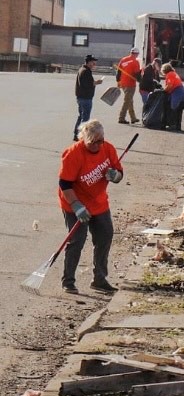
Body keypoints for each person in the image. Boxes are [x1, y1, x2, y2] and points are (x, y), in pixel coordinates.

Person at [58, 119, 123, 294]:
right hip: (74, 203)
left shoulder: (108, 148)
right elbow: (65, 184)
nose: (97, 145)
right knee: (77, 240)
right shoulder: (72, 154)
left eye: (100, 140)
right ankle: (68, 281)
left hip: (99, 202)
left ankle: (100, 280)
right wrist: (76, 205)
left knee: (105, 236)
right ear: (83, 139)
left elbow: (120, 173)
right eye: (93, 142)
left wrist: (115, 175)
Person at [74, 55, 103, 141]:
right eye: (93, 62)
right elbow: (87, 84)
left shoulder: (83, 70)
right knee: (85, 118)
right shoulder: (85, 71)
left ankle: (76, 134)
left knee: (81, 116)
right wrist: (96, 82)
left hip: (82, 97)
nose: (94, 64)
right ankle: (82, 136)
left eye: (95, 62)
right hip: (85, 97)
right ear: (88, 62)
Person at [116, 47, 142, 125]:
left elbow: (118, 71)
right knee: (127, 101)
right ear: (136, 54)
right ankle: (121, 118)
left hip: (123, 83)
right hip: (130, 84)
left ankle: (133, 118)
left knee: (129, 100)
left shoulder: (123, 59)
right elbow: (137, 74)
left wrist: (118, 81)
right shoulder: (135, 62)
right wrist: (141, 81)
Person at [162, 63, 184, 131]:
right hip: (183, 93)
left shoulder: (169, 74)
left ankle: (173, 125)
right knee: (179, 111)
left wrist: (164, 91)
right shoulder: (174, 73)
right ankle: (178, 126)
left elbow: (170, 85)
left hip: (177, 93)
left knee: (174, 109)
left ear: (165, 70)